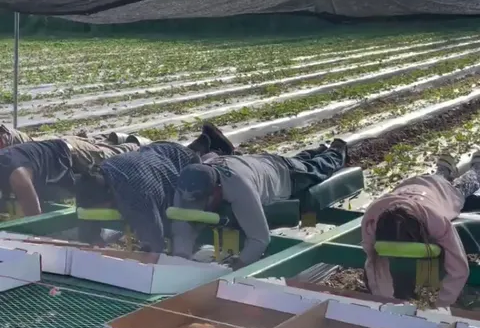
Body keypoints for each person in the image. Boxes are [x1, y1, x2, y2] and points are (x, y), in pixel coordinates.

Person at [171, 139, 348, 267]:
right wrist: (181, 256)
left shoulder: (240, 188)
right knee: (300, 161)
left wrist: (238, 266)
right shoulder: (187, 186)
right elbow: (181, 225)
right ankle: (317, 149)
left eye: (203, 200)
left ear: (216, 189)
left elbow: (260, 239)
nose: (197, 205)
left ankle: (336, 150)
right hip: (255, 163)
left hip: (284, 175)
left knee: (316, 168)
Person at [74, 123, 236, 253]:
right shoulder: (94, 177)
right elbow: (85, 216)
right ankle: (205, 140)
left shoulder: (136, 195)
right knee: (186, 155)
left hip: (179, 164)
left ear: (109, 196)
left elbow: (154, 239)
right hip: (161, 153)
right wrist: (92, 239)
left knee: (199, 182)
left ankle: (220, 153)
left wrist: (147, 253)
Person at [362, 151, 480, 309]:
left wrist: (439, 304)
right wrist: (383, 299)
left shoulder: (436, 220)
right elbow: (372, 261)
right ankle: (443, 170)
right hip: (412, 185)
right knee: (438, 178)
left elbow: (459, 268)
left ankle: (476, 168)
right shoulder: (372, 218)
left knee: (463, 186)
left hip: (443, 192)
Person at [0, 135, 140, 218]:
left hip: (72, 155)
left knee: (113, 157)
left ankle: (138, 145)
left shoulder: (17, 175)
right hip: (57, 171)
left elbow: (34, 214)